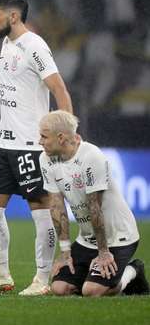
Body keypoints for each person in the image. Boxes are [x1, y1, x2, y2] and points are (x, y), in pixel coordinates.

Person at [0, 0, 73, 296]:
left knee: (41, 210)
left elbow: (58, 88)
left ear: (13, 16)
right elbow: (8, 79)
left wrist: (67, 137)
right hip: (3, 144)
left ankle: (42, 278)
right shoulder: (6, 44)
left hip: (31, 145)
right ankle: (1, 273)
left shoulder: (35, 46)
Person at [39, 110, 147, 297]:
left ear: (61, 137)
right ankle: (93, 274)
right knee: (59, 289)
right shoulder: (45, 159)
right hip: (87, 240)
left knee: (92, 291)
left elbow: (94, 207)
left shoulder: (92, 157)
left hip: (119, 237)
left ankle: (132, 271)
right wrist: (65, 252)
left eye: (44, 136)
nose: (40, 141)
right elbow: (57, 207)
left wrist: (104, 252)